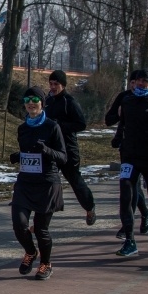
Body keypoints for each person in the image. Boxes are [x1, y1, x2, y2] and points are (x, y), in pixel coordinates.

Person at [9, 86, 67, 280]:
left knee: (41, 228)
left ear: (42, 102)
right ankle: (30, 252)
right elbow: (28, 154)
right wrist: (20, 156)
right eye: (27, 100)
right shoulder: (22, 128)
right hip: (25, 183)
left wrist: (47, 151)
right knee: (19, 224)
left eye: (35, 99)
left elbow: (63, 157)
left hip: (47, 184)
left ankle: (45, 263)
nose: (31, 103)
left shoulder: (52, 127)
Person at [112, 69, 148, 256]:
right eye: (137, 81)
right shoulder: (127, 101)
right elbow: (123, 123)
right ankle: (130, 240)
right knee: (126, 196)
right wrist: (118, 138)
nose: (140, 84)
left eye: (144, 81)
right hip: (129, 157)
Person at [44, 70, 96, 225]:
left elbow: (81, 124)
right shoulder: (47, 100)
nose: (53, 87)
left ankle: (89, 207)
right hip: (51, 150)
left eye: (56, 84)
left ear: (63, 85)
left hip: (68, 150)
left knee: (75, 181)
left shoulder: (70, 102)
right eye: (51, 84)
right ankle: (42, 219)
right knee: (47, 182)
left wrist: (60, 126)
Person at [106, 69, 148, 239]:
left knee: (133, 187)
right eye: (132, 83)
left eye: (139, 82)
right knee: (129, 186)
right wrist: (119, 115)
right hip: (126, 149)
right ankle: (140, 216)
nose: (135, 86)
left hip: (144, 150)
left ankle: (129, 225)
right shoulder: (124, 98)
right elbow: (108, 119)